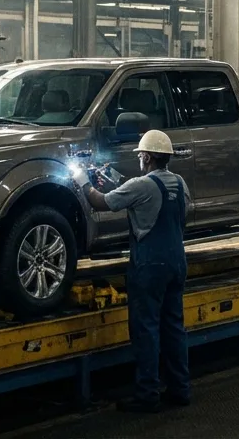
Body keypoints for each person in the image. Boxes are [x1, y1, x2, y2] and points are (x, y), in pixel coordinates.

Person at [80, 130, 192, 412]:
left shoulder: (140, 185)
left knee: (146, 330)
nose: (139, 159)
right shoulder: (180, 183)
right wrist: (111, 180)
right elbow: (173, 211)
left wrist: (81, 180)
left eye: (141, 155)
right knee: (174, 327)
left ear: (147, 157)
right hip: (177, 262)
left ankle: (147, 395)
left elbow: (100, 201)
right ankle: (180, 390)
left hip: (149, 265)